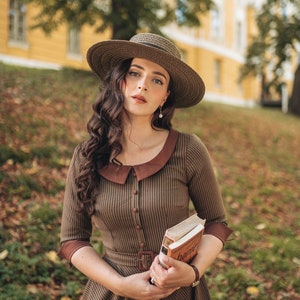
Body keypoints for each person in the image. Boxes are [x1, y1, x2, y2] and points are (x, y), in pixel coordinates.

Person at [58, 32, 232, 300]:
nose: (143, 86)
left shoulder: (188, 150)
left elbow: (216, 223)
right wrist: (119, 284)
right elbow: (73, 240)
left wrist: (193, 272)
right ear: (118, 82)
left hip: (178, 292)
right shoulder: (86, 155)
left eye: (157, 80)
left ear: (165, 96)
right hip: (111, 291)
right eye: (135, 73)